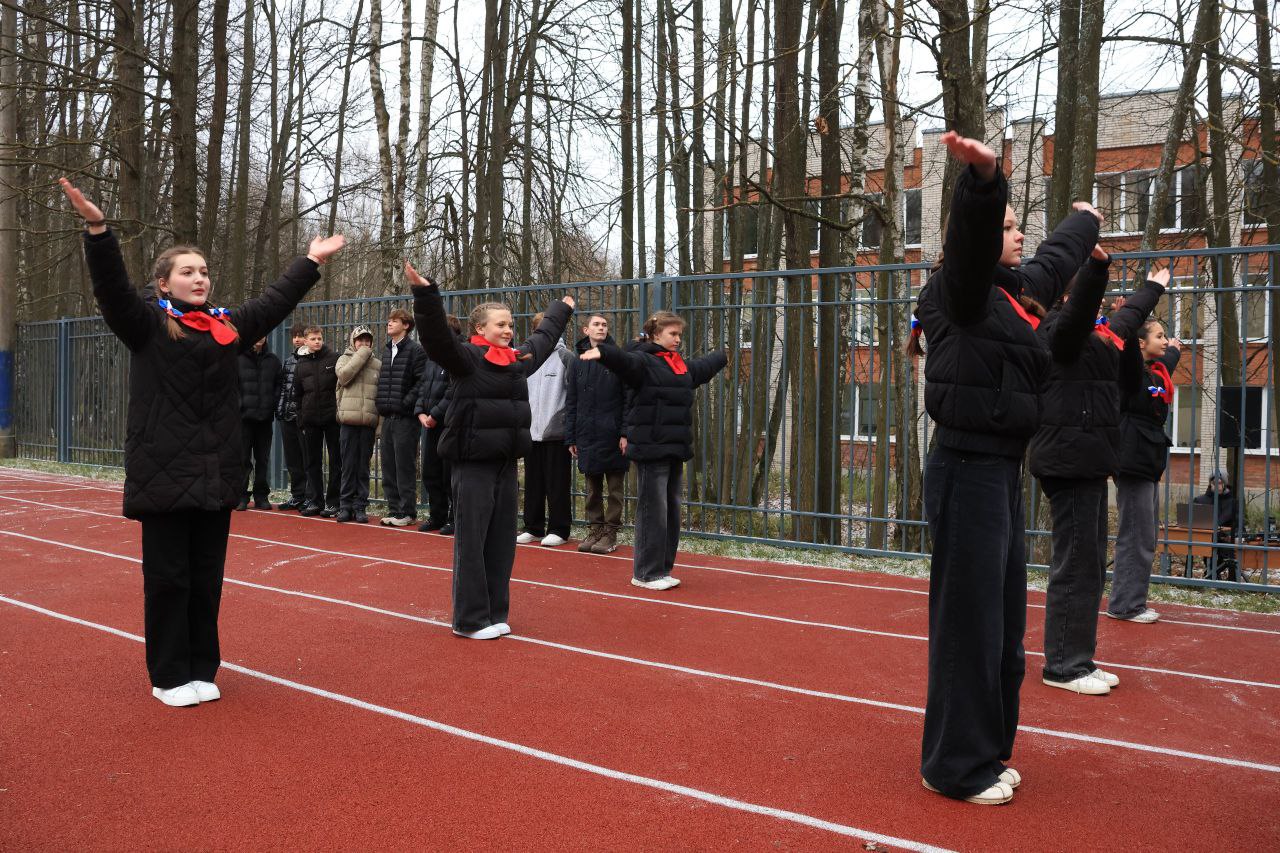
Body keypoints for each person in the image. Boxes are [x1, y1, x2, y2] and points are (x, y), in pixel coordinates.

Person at [60, 177, 344, 707]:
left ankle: (201, 667)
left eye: (205, 271)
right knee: (169, 579)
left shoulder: (225, 327)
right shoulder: (145, 324)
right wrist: (98, 230)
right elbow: (113, 290)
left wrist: (310, 260)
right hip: (165, 472)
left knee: (206, 577)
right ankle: (169, 675)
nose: (200, 278)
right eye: (187, 272)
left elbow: (273, 303)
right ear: (164, 283)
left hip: (216, 473)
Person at [910, 132, 1100, 805]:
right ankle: (952, 764)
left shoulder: (1013, 295)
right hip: (966, 470)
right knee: (970, 625)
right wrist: (986, 184)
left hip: (1002, 474)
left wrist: (1087, 222)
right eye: (1010, 226)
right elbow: (970, 247)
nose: (1019, 235)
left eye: (1019, 225)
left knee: (1004, 627)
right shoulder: (958, 293)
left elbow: (1053, 263)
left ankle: (987, 748)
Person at [406, 262, 574, 640]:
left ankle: (494, 612)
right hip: (472, 465)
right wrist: (425, 294)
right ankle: (469, 619)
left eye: (511, 325)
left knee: (500, 544)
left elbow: (542, 341)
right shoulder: (466, 359)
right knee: (472, 543)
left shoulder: (515, 362)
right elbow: (435, 339)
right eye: (500, 324)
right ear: (481, 328)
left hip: (505, 465)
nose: (509, 330)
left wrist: (560, 310)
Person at [1029, 255, 1168, 697]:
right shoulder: (1058, 332)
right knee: (1075, 564)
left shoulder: (1095, 337)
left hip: (1087, 460)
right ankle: (1064, 665)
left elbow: (1126, 323)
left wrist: (1152, 290)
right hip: (1068, 461)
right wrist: (1095, 270)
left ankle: (1079, 656)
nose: (1104, 305)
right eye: (1092, 296)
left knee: (1089, 562)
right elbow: (1083, 312)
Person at [579, 311, 728, 590]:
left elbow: (700, 369)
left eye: (679, 334)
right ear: (656, 334)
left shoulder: (677, 364)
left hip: (675, 449)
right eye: (673, 334)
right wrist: (604, 353)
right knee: (653, 511)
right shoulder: (643, 361)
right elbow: (626, 362)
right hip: (651, 449)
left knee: (671, 510)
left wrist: (722, 356)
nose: (678, 339)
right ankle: (645, 573)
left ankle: (662, 569)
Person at [1108, 315, 1182, 623]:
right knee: (1136, 535)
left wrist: (1174, 350)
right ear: (1140, 343)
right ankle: (1125, 604)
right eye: (1160, 336)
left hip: (1147, 461)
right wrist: (1127, 319)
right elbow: (1128, 356)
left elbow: (1168, 363)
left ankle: (1132, 601)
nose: (1166, 341)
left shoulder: (1154, 373)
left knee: (1146, 535)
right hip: (1133, 459)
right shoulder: (1131, 372)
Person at [567, 313, 630, 554]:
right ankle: (595, 528)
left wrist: (625, 433)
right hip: (586, 434)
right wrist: (571, 437)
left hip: (612, 433)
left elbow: (628, 399)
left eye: (604, 325)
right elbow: (571, 400)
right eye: (596, 325)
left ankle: (611, 531)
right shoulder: (578, 361)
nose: (601, 328)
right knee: (592, 488)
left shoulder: (618, 358)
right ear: (586, 330)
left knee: (615, 487)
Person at [517, 311, 576, 547]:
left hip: (555, 433)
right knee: (533, 482)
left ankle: (559, 529)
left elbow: (573, 397)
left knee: (557, 483)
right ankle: (533, 526)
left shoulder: (566, 357)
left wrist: (569, 429)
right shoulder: (527, 359)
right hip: (531, 431)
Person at [376, 308, 427, 527]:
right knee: (388, 464)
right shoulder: (388, 351)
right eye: (388, 320)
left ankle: (407, 512)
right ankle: (394, 509)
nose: (389, 324)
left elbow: (421, 382)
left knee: (403, 465)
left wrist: (405, 403)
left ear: (406, 325)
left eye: (394, 321)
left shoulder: (416, 350)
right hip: (388, 417)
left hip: (406, 419)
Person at [415, 314, 461, 533]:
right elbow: (423, 386)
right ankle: (437, 515)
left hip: (448, 424)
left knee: (448, 475)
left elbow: (453, 391)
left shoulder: (456, 354)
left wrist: (434, 414)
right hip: (430, 424)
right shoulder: (431, 356)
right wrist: (420, 412)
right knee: (430, 472)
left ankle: (454, 518)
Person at [335, 325, 382, 524]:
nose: (364, 344)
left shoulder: (378, 365)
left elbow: (381, 396)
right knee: (348, 465)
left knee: (363, 466)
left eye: (367, 341)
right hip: (348, 421)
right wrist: (361, 355)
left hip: (367, 423)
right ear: (353, 342)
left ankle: (360, 506)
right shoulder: (344, 359)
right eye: (360, 340)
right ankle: (345, 506)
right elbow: (344, 377)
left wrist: (379, 425)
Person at [294, 325, 342, 517]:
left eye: (319, 338)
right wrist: (301, 419)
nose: (317, 342)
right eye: (313, 339)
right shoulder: (301, 364)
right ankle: (315, 500)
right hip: (310, 420)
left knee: (336, 462)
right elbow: (297, 395)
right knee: (312, 462)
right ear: (305, 341)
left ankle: (333, 502)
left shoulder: (334, 358)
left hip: (332, 419)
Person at [237, 337, 282, 510]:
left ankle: (261, 496)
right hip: (243, 419)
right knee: (242, 459)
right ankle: (241, 496)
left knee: (263, 459)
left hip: (265, 418)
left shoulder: (273, 361)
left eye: (263, 335)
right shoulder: (238, 359)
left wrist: (273, 402)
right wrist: (239, 405)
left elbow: (279, 384)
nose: (259, 338)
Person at [275, 322, 310, 511]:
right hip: (286, 416)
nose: (297, 339)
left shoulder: (311, 360)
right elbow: (283, 388)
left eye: (301, 335)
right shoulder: (288, 361)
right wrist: (280, 410)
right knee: (293, 460)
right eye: (294, 336)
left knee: (307, 459)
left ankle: (310, 496)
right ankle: (297, 495)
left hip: (303, 418)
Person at [1192, 471, 1239, 581]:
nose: (1216, 486)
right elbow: (1194, 521)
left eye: (1219, 483)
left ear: (1224, 484)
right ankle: (1212, 574)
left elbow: (1238, 522)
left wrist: (1233, 534)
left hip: (1225, 538)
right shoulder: (1200, 500)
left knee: (1223, 548)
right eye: (1214, 483)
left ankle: (1219, 575)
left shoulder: (1232, 502)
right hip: (1205, 537)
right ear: (1210, 484)